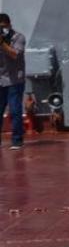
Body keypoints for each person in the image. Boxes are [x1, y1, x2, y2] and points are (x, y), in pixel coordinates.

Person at [0, 13, 26, 150]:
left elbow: (15, 54)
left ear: (9, 25)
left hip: (15, 80)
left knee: (15, 110)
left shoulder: (18, 37)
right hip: (1, 80)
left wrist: (2, 43)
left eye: (3, 27)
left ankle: (17, 140)